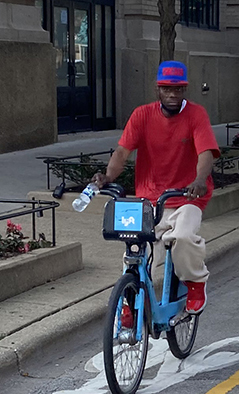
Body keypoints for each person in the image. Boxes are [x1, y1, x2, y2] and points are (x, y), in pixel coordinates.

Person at [92, 60, 220, 314]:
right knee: (136, 251)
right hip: (149, 200)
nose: (172, 95)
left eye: (178, 89)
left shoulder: (196, 115)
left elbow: (206, 152)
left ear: (185, 90)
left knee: (182, 237)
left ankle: (195, 282)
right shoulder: (142, 115)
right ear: (157, 90)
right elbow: (122, 152)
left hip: (186, 197)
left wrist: (199, 180)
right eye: (166, 89)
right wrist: (107, 176)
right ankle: (130, 303)